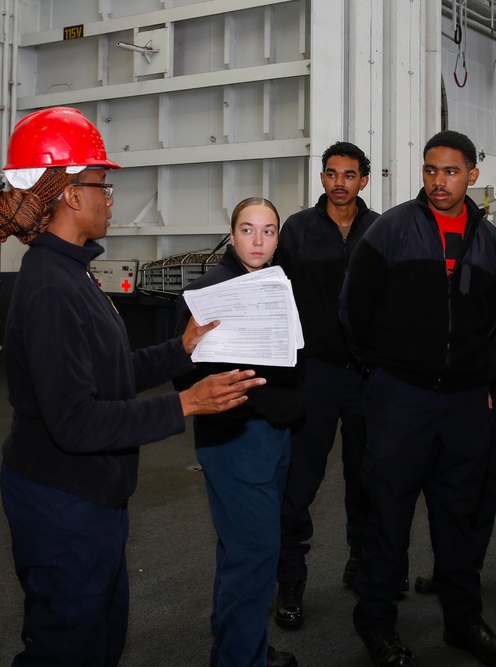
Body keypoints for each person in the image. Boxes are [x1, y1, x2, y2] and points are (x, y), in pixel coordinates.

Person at [0, 107, 264, 667]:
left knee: (100, 637)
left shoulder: (71, 272)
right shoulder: (49, 289)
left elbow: (108, 375)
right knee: (67, 646)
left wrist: (179, 349)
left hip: (87, 496)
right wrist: (187, 403)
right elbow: (77, 420)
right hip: (62, 502)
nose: (109, 197)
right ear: (67, 194)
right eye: (100, 185)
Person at [341, 130, 496, 667]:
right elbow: (355, 309)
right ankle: (376, 625)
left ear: (472, 176)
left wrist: (472, 377)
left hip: (463, 405)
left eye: (452, 172)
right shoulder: (391, 230)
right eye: (431, 171)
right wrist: (385, 372)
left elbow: (493, 319)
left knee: (457, 519)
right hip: (400, 400)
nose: (440, 182)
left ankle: (462, 623)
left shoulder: (491, 243)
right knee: (386, 516)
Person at [174, 198, 304, 667]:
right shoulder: (209, 293)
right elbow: (185, 372)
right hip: (234, 439)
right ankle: (240, 659)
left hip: (272, 435)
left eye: (268, 231)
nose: (258, 240)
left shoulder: (275, 285)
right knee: (254, 553)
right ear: (232, 235)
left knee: (240, 552)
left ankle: (240, 645)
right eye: (248, 230)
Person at [273, 142, 379, 631]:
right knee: (299, 484)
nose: (340, 182)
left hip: (366, 377)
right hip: (312, 375)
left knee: (367, 477)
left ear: (364, 180)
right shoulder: (296, 230)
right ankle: (290, 579)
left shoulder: (380, 229)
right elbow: (274, 299)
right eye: (332, 173)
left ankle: (362, 561)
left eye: (350, 175)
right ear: (322, 178)